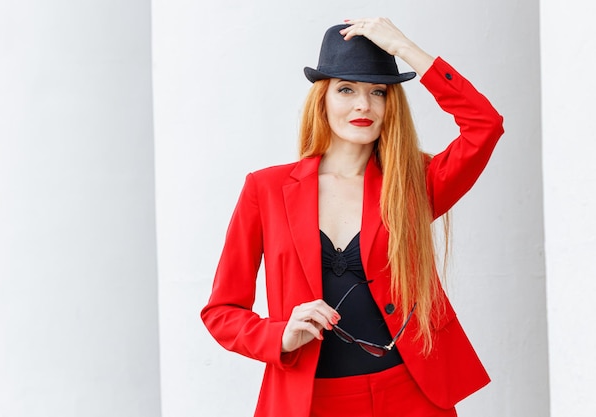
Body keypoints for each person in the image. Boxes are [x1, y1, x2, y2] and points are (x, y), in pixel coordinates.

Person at [201, 17, 504, 417]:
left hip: (411, 395)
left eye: (377, 92)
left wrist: (405, 49)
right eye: (346, 89)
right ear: (322, 98)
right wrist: (280, 336)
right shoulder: (266, 190)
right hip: (312, 402)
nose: (363, 105)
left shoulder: (414, 182)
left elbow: (484, 126)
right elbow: (222, 312)